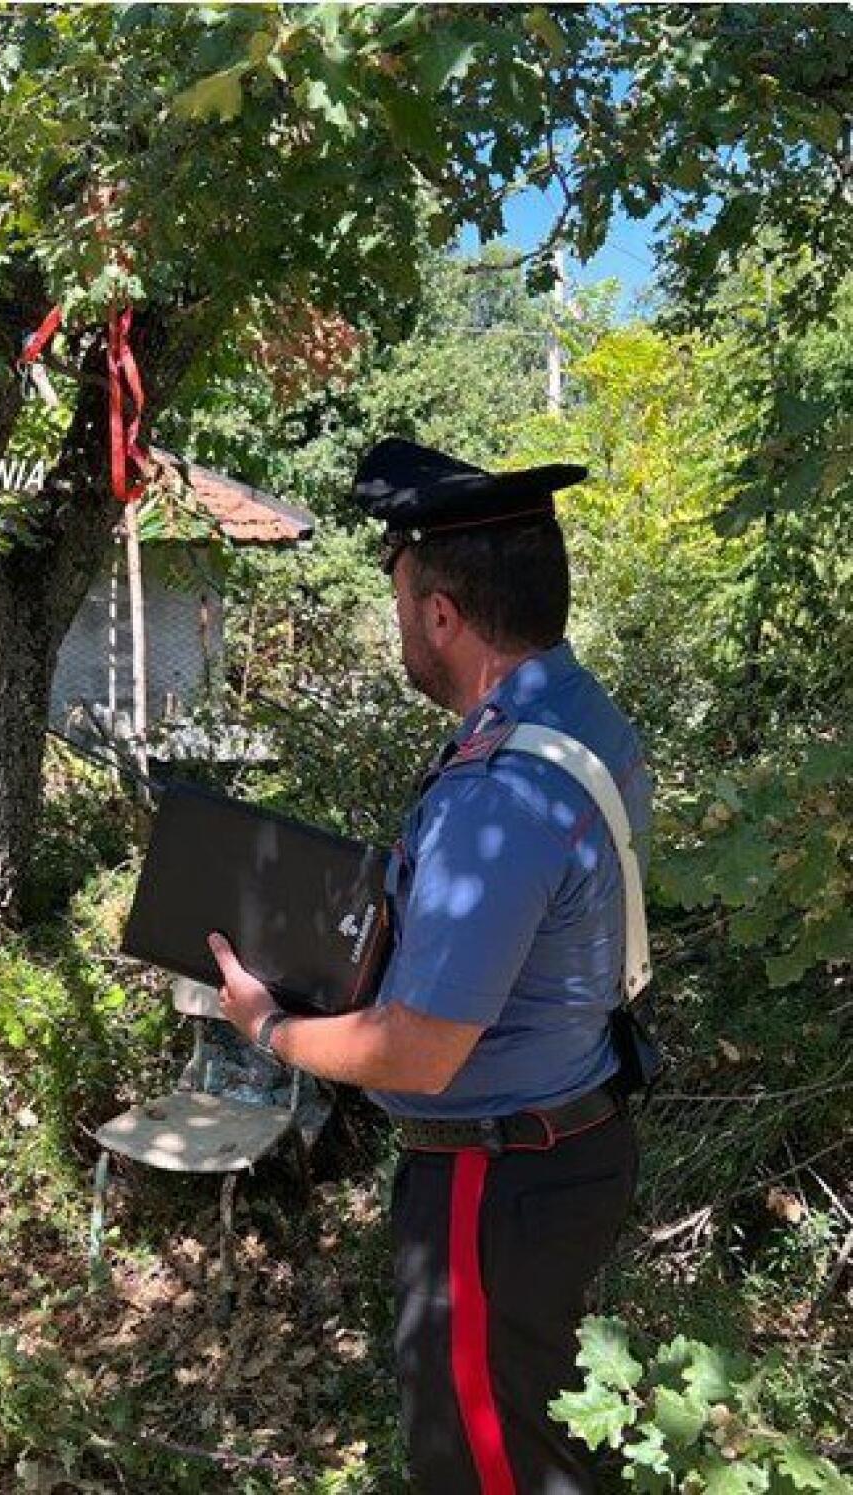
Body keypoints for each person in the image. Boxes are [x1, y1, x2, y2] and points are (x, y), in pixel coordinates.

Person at [208, 436, 651, 1495]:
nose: (401, 628)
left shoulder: (498, 789)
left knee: (485, 1463)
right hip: (568, 1140)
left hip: (494, 1181)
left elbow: (419, 1050)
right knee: (537, 1435)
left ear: (443, 614)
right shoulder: (573, 714)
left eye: (403, 603)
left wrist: (265, 1025)